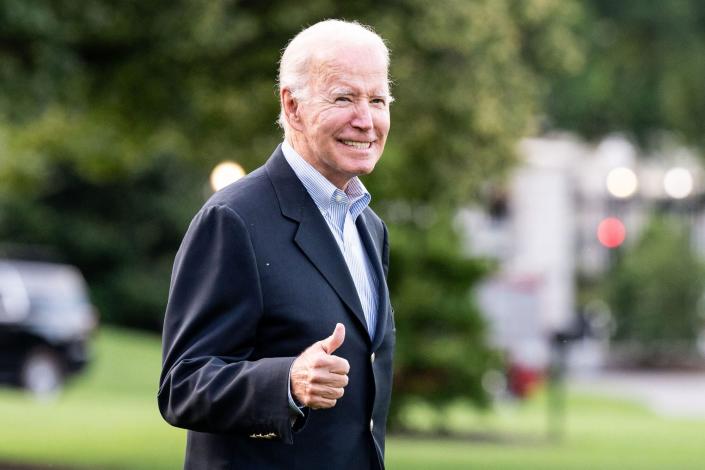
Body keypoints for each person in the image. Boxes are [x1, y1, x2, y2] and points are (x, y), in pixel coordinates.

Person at [158, 19, 395, 469]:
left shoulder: (369, 227)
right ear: (293, 107)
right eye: (343, 98)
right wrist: (287, 381)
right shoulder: (233, 219)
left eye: (377, 100)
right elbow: (181, 385)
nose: (365, 120)